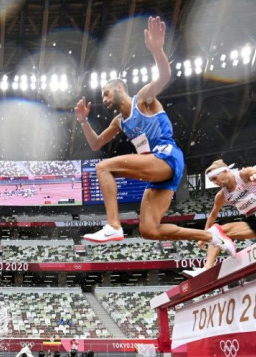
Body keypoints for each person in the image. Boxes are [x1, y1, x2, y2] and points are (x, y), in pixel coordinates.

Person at [73, 16, 235, 255]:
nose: (104, 100)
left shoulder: (143, 99)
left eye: (106, 94)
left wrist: (158, 51)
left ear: (120, 88)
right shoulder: (118, 122)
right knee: (149, 230)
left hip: (167, 157)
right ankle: (211, 235)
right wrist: (84, 121)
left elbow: (163, 77)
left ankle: (113, 225)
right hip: (157, 173)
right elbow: (96, 142)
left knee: (103, 168)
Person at [183, 160, 256, 277]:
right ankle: (206, 269)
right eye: (211, 181)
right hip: (252, 221)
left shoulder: (243, 175)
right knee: (215, 232)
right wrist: (204, 236)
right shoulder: (221, 195)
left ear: (225, 171)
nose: (215, 183)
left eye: (215, 178)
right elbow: (213, 215)